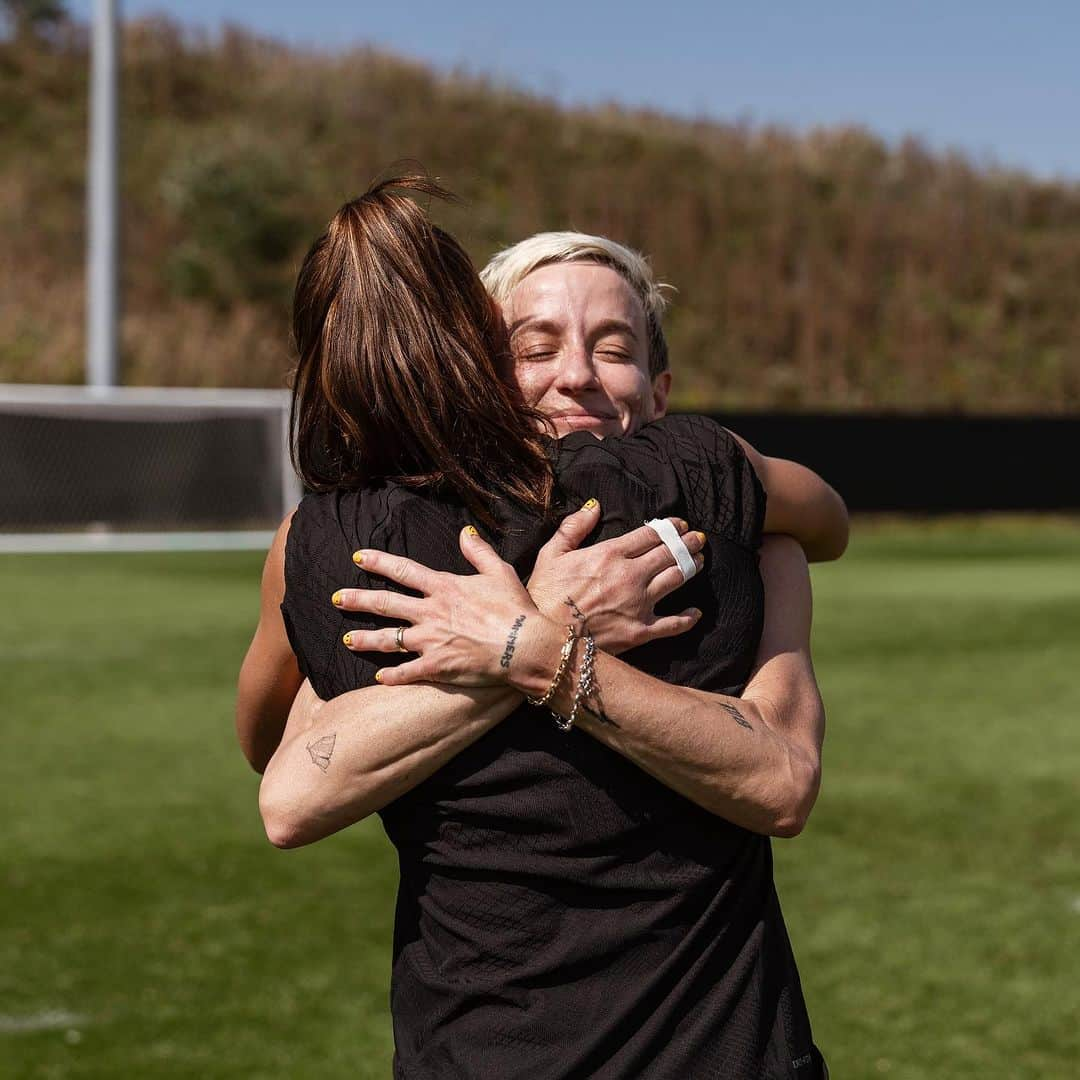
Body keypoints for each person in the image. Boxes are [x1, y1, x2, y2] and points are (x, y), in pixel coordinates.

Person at [236, 176, 842, 1077]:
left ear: (660, 386)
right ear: (479, 373)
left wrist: (524, 643)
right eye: (536, 346)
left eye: (613, 347)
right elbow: (826, 517)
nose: (577, 376)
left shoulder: (728, 512)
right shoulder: (731, 508)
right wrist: (538, 632)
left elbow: (269, 756)